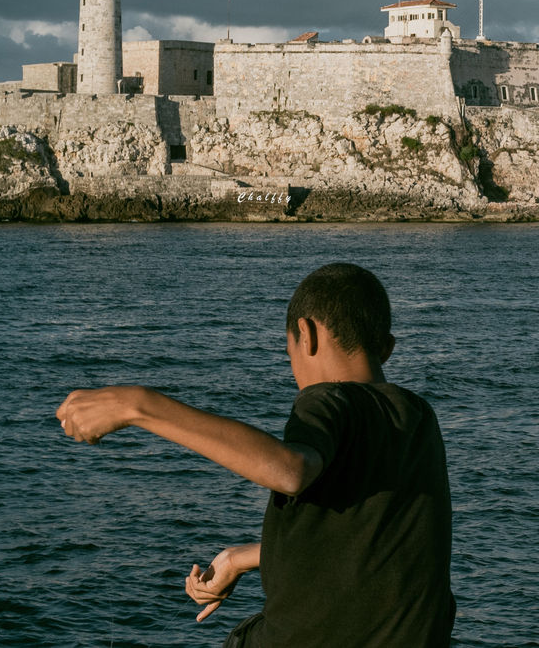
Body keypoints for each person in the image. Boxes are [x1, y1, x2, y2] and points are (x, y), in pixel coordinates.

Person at [56, 263, 455, 647]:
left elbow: (291, 469)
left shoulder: (328, 400)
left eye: (289, 352)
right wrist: (239, 557)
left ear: (307, 334)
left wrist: (138, 405)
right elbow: (362, 546)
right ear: (386, 349)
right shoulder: (419, 418)